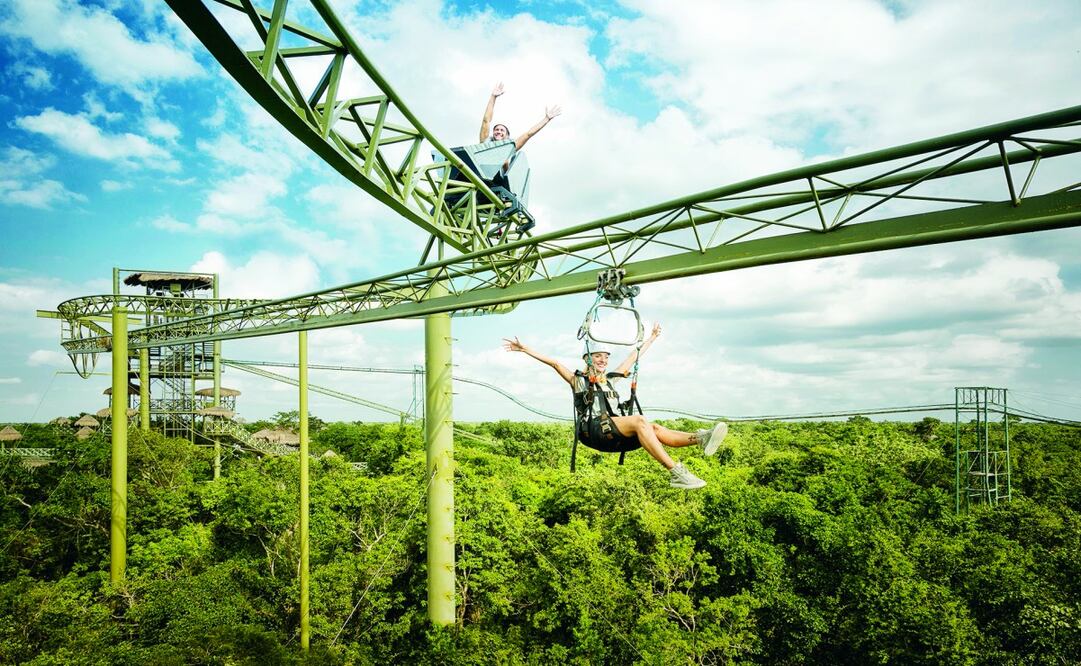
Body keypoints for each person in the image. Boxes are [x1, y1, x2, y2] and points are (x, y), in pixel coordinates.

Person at [503, 323, 729, 489]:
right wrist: (525, 349)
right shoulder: (578, 381)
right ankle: (676, 473)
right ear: (588, 359)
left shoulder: (610, 379)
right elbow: (554, 363)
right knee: (641, 421)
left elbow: (633, 358)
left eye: (605, 357)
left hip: (613, 431)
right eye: (598, 356)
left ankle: (700, 438)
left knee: (655, 428)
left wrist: (651, 338)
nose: (603, 360)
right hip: (594, 431)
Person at [479, 82, 561, 153]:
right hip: (479, 167)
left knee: (506, 161)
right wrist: (493, 97)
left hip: (498, 170)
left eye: (502, 130)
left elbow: (528, 134)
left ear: (507, 136)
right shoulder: (485, 142)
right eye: (496, 130)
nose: (499, 131)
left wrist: (546, 119)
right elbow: (486, 120)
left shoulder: (509, 147)